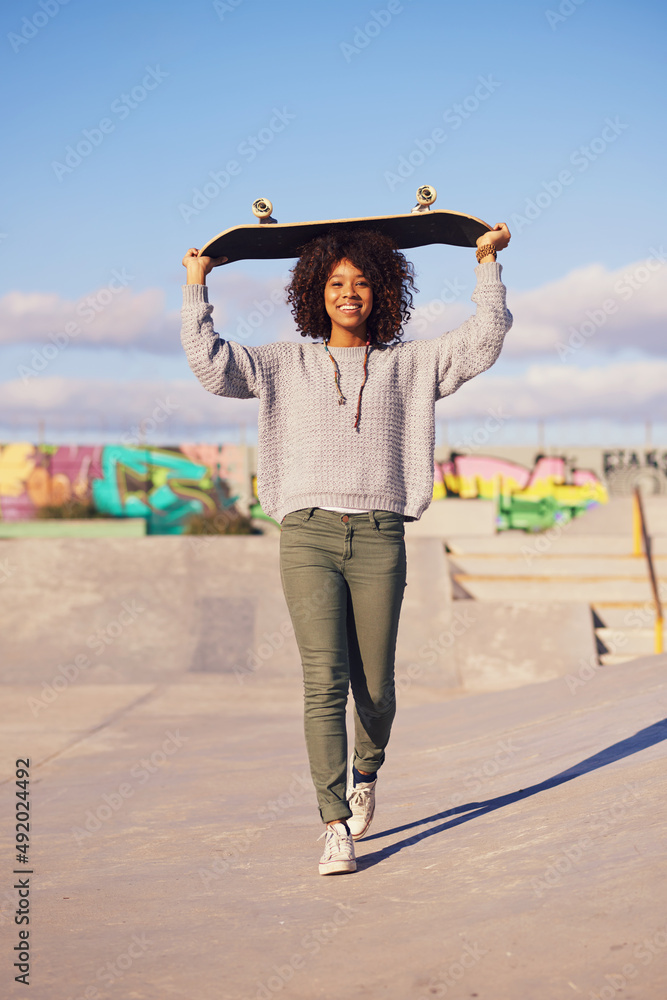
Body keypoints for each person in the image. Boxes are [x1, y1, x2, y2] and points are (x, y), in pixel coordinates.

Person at [180, 220, 512, 875]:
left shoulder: (410, 365)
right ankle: (334, 824)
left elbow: (483, 340)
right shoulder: (283, 363)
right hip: (306, 533)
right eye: (335, 283)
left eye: (361, 282)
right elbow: (212, 365)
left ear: (382, 289)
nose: (348, 293)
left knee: (378, 691)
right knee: (322, 685)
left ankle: (367, 770)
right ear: (315, 292)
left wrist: (485, 265)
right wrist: (197, 287)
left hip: (380, 534)